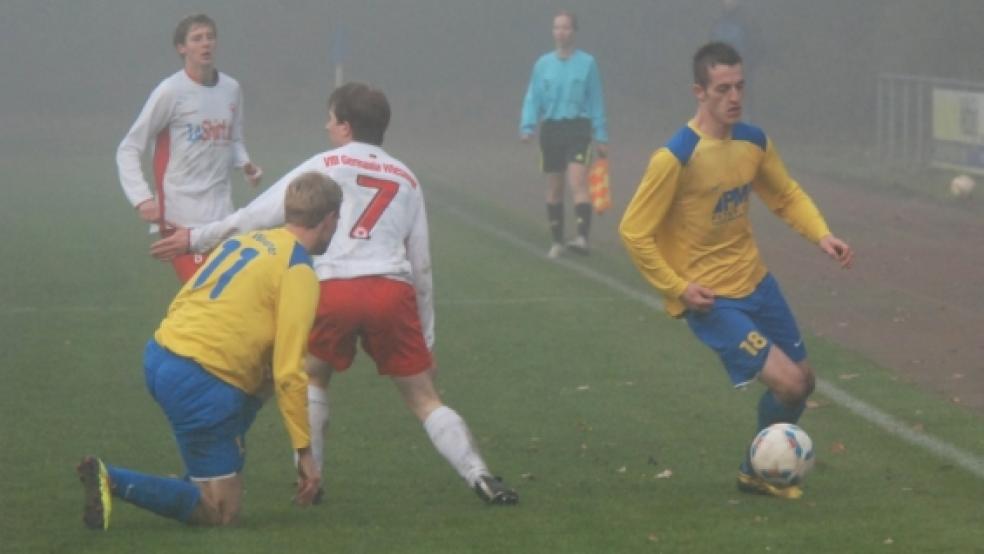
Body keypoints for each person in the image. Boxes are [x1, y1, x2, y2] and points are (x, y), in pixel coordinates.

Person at [150, 82, 519, 505]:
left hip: (332, 288)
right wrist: (427, 336)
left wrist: (196, 238)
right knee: (423, 397)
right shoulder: (406, 177)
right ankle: (481, 476)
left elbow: (256, 215)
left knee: (313, 377)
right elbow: (421, 263)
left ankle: (312, 478)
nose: (326, 127)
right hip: (389, 290)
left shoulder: (325, 164)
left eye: (330, 119)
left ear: (345, 126)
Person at [619, 42, 853, 499]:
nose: (734, 97)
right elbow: (633, 231)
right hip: (713, 301)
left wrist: (821, 234)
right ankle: (761, 468)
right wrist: (678, 287)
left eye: (740, 86)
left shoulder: (752, 142)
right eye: (722, 88)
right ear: (699, 92)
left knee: (803, 385)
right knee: (788, 383)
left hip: (759, 285)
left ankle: (754, 469)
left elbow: (784, 195)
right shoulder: (675, 157)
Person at [76, 173, 342, 529]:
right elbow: (289, 371)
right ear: (327, 220)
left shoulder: (247, 241)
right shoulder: (298, 270)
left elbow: (188, 294)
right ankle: (112, 479)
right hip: (202, 381)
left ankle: (213, 459)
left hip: (161, 354)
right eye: (337, 220)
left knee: (256, 381)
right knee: (221, 513)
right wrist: (304, 453)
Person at [116, 13, 263, 283]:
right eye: (197, 39)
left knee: (229, 295)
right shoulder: (171, 91)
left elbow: (233, 138)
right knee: (207, 293)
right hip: (179, 216)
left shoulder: (231, 88)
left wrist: (246, 165)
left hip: (222, 215)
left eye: (210, 37)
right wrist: (141, 198)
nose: (205, 44)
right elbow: (128, 147)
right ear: (181, 48)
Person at [520, 9, 609, 259]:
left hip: (578, 128)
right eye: (557, 27)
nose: (561, 32)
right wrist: (527, 126)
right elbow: (533, 98)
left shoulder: (588, 63)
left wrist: (602, 135)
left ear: (574, 31)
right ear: (552, 31)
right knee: (554, 187)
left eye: (566, 27)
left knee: (577, 181)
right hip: (551, 129)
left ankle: (582, 237)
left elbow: (596, 100)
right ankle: (557, 241)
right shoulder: (543, 64)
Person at [709, 0, 763, 121]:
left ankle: (745, 136)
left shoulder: (747, 21)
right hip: (720, 73)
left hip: (741, 72)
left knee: (742, 105)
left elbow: (757, 47)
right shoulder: (718, 22)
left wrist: (747, 66)